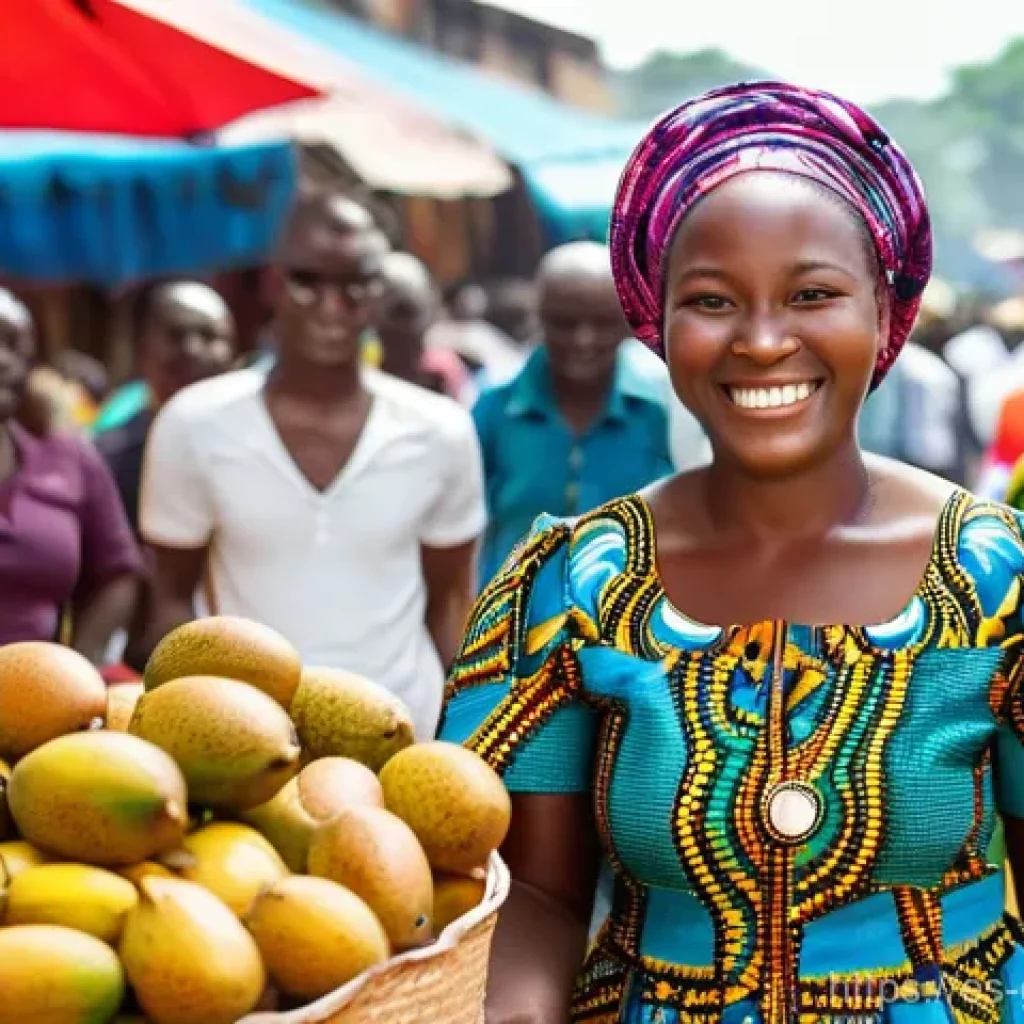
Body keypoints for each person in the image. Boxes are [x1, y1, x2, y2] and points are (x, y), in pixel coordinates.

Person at [440, 83, 1024, 1024]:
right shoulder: (574, 584)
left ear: (885, 309)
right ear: (656, 319)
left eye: (812, 295)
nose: (761, 341)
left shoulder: (999, 578)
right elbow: (533, 896)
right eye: (711, 300)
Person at [139, 193, 486, 741]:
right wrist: (194, 730)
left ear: (380, 291)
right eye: (308, 281)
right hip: (251, 747)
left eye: (356, 284)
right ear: (274, 284)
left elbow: (450, 604)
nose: (332, 306)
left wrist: (466, 737)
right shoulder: (194, 425)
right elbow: (171, 602)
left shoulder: (441, 432)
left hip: (403, 742)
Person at [472, 241, 674, 587]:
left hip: (628, 628)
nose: (584, 340)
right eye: (564, 323)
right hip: (515, 626)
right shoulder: (495, 408)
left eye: (603, 322)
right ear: (539, 318)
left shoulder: (662, 409)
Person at [0, 289, 141, 658]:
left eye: (15, 346)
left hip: (37, 698)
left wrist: (81, 665)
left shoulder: (68, 456)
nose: (3, 360)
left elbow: (118, 573)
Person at [97, 281, 236, 536]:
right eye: (176, 335)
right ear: (141, 350)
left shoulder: (260, 446)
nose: (192, 350)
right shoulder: (106, 461)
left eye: (208, 336)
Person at [376, 252, 473, 404]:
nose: (403, 330)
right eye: (396, 315)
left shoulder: (441, 370)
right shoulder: (367, 368)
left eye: (408, 314)